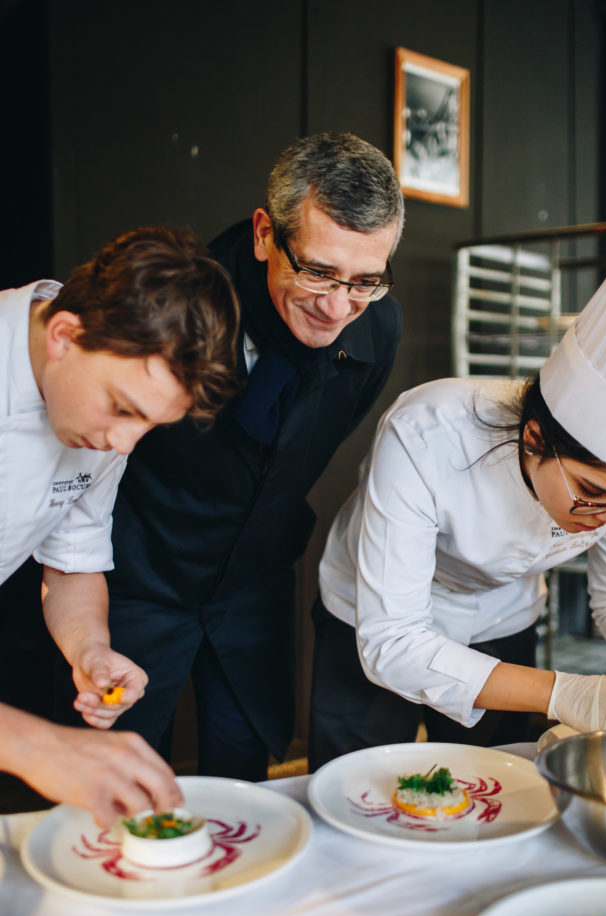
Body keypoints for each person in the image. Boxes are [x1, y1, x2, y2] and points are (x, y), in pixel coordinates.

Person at [309, 204, 606, 769]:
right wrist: (567, 693)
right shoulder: (426, 432)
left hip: (501, 620)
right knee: (359, 783)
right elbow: (394, 642)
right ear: (534, 439)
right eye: (591, 493)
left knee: (498, 790)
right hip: (372, 616)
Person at [94, 132, 404, 781]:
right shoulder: (179, 306)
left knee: (243, 771)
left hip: (254, 583)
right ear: (265, 233)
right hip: (139, 575)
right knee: (111, 769)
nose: (336, 306)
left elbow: (300, 456)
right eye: (317, 270)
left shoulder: (376, 327)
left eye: (365, 281)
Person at [0, 224, 240, 823]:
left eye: (150, 426)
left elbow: (72, 561)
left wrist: (91, 650)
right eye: (123, 409)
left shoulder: (96, 417)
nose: (125, 445)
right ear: (64, 336)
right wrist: (38, 746)